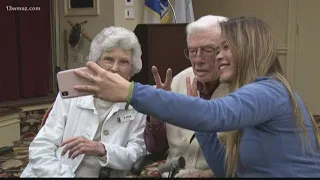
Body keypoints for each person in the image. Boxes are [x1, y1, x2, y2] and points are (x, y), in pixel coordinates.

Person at [73, 17, 320, 177]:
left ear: (248, 49)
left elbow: (214, 115)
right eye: (219, 48)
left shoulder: (269, 91)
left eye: (225, 48)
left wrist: (130, 91)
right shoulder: (258, 92)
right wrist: (200, 124)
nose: (219, 56)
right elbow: (226, 171)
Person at [20, 26, 147, 178]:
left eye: (124, 62)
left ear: (132, 70)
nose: (114, 68)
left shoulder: (137, 103)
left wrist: (102, 149)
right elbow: (40, 147)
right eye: (108, 59)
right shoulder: (72, 95)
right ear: (96, 63)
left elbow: (136, 154)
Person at [144, 15, 229, 177]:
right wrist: (157, 114)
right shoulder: (177, 81)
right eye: (192, 51)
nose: (197, 59)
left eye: (207, 50)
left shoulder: (239, 90)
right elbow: (156, 149)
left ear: (226, 50)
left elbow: (246, 162)